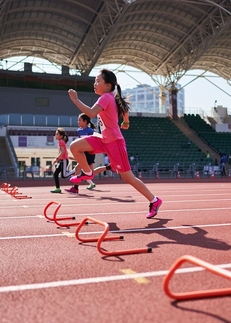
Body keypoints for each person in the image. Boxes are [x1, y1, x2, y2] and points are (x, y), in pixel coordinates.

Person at [67, 68, 162, 219]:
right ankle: (88, 172)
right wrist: (126, 122)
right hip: (103, 139)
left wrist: (75, 100)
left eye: (98, 81)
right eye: (95, 81)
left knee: (128, 177)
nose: (95, 83)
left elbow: (91, 113)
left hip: (115, 143)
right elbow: (124, 110)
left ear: (107, 85)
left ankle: (154, 200)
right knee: (75, 147)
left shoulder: (105, 97)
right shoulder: (111, 97)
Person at [66, 113, 98, 194]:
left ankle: (76, 187)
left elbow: (95, 141)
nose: (78, 122)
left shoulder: (91, 131)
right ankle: (76, 187)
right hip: (83, 153)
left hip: (90, 153)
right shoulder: (79, 131)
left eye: (79, 120)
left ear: (85, 121)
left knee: (89, 171)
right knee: (81, 169)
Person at [50, 128, 75, 193]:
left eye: (57, 134)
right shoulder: (60, 142)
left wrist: (56, 159)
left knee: (64, 176)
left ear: (61, 136)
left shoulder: (61, 141)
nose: (55, 135)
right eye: (55, 134)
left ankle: (75, 171)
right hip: (61, 161)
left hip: (63, 161)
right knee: (55, 174)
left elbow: (63, 151)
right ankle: (57, 188)